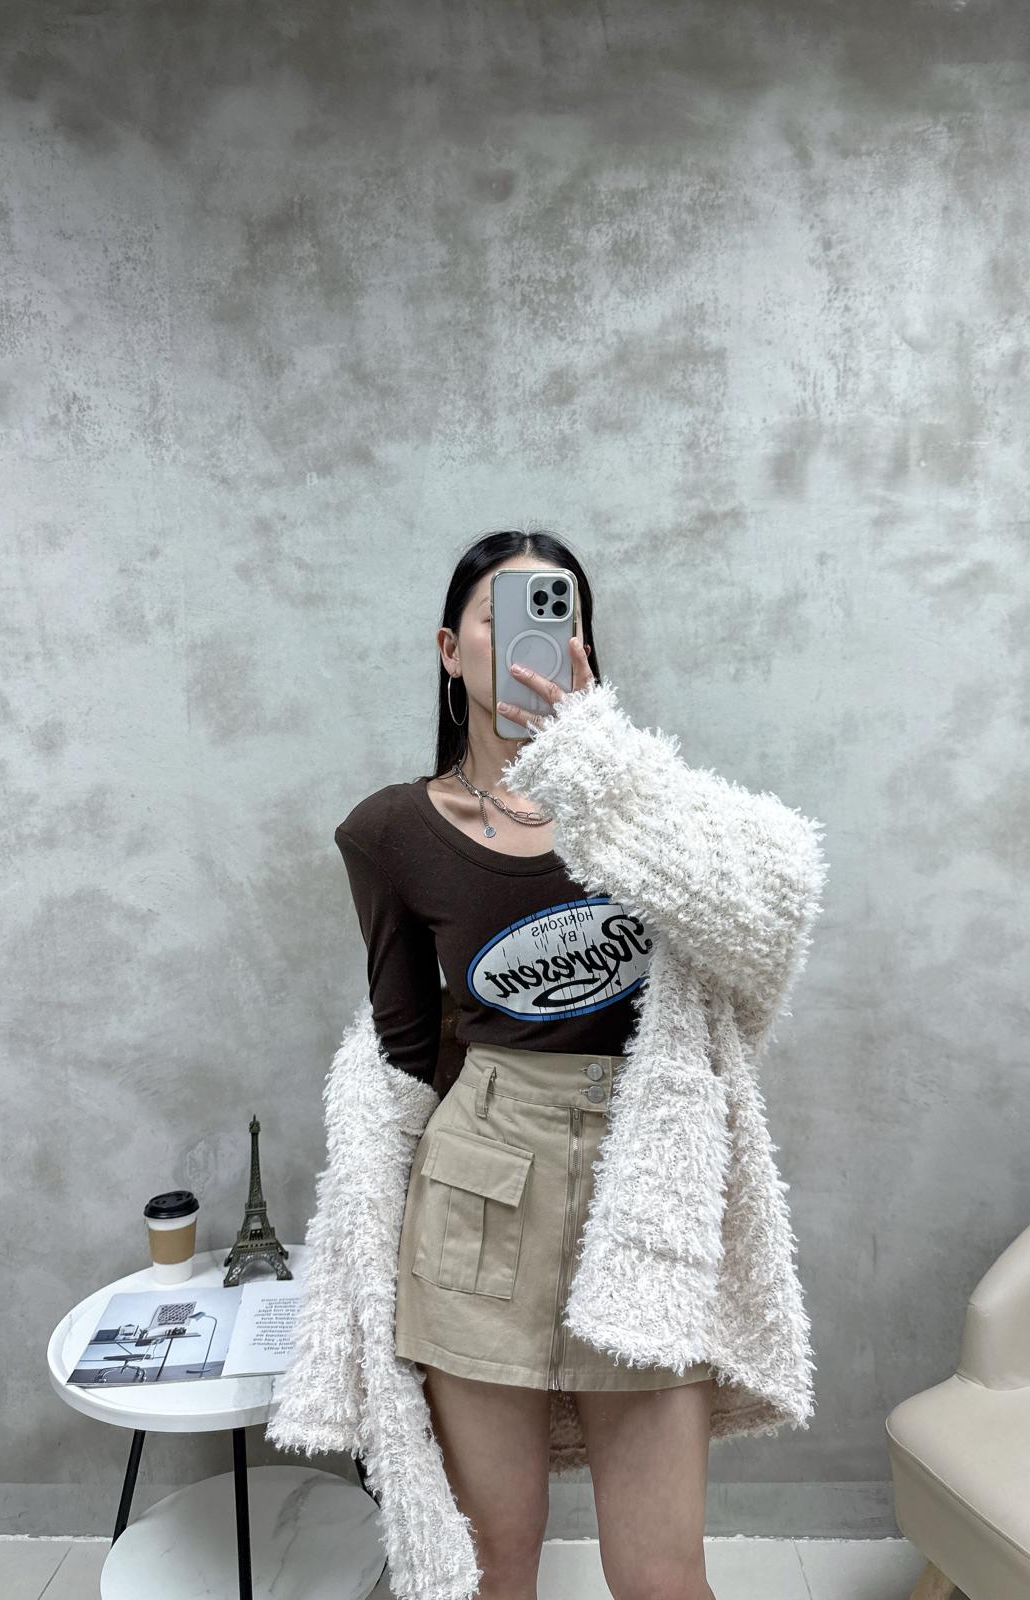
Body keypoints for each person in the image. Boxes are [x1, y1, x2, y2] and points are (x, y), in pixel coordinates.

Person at [334, 529, 720, 1600]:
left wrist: (610, 768)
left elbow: (748, 942)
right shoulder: (391, 832)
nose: (533, 640)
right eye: (501, 616)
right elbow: (407, 1051)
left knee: (662, 1577)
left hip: (640, 1195)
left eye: (560, 615)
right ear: (449, 648)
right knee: (490, 1572)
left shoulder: (651, 814)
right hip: (479, 1194)